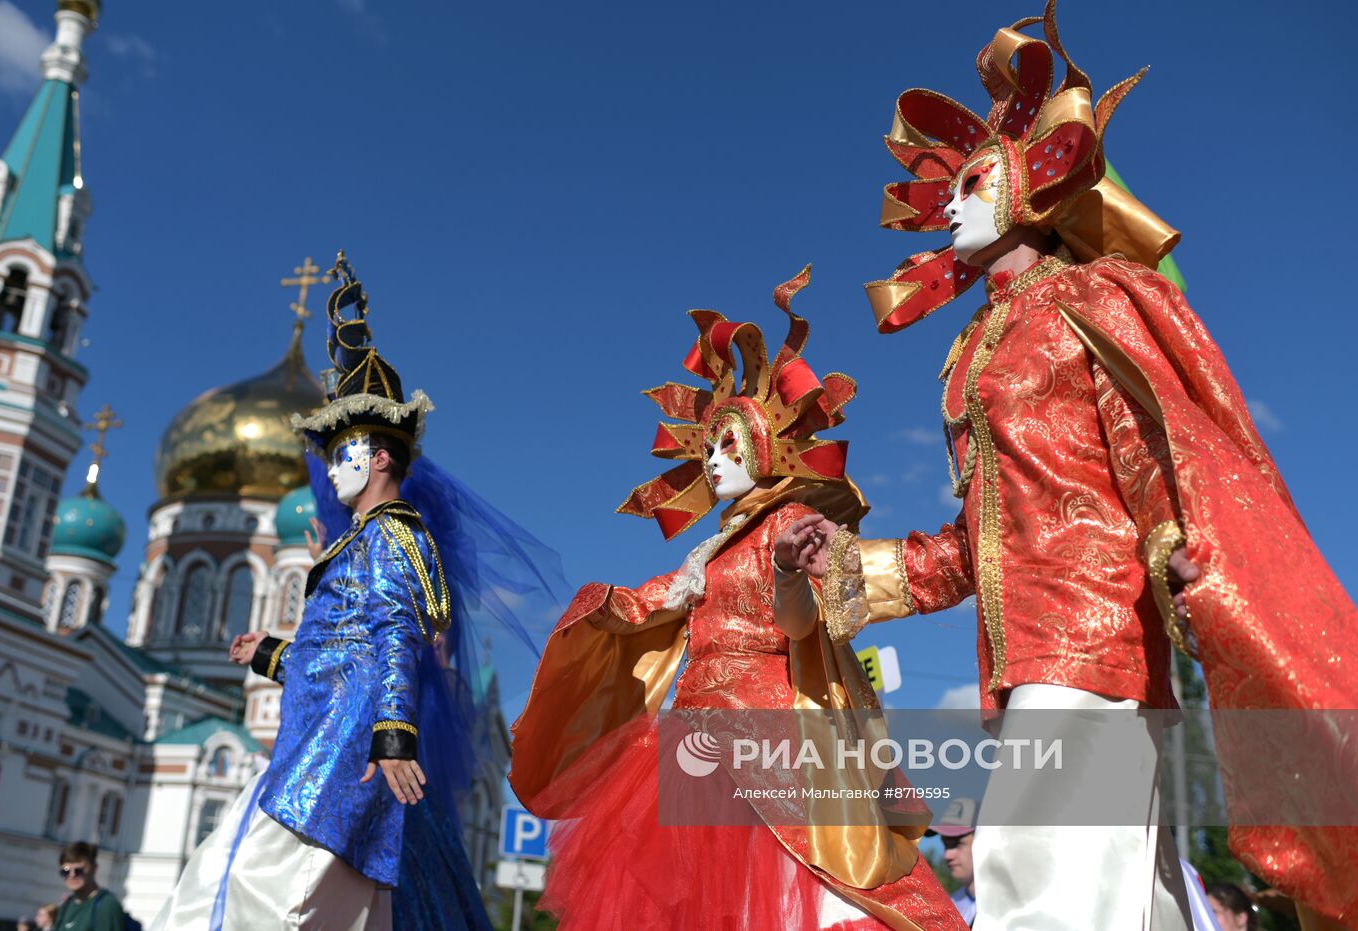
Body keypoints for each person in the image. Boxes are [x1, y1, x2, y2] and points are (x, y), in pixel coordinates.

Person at [780, 2, 1358, 928]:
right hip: (1023, 665)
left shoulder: (1092, 294)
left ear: (1033, 188)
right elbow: (976, 545)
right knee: (1128, 896)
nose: (949, 204)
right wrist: (845, 566)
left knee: (1036, 864)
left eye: (974, 180)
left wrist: (1177, 543)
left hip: (1097, 633)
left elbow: (1149, 440)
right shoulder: (970, 353)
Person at [510, 268, 967, 930]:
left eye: (730, 444)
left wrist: (786, 573)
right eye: (709, 445)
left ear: (766, 449)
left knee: (795, 901)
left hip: (765, 741)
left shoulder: (789, 523)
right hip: (692, 745)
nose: (712, 460)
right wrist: (606, 607)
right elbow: (651, 605)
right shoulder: (706, 553)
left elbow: (804, 623)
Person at [150, 253, 561, 930]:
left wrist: (393, 734)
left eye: (341, 452)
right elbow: (339, 649)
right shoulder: (361, 542)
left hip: (344, 747)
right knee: (236, 877)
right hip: (316, 739)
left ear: (378, 457)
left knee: (268, 888)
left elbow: (394, 636)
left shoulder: (392, 537)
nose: (330, 468)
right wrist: (273, 653)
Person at [51, 841, 126, 931]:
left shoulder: (107, 906)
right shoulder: (66, 906)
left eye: (78, 870)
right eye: (65, 871)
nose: (72, 875)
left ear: (94, 868)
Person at [925, 799, 977, 926]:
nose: (947, 855)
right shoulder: (950, 909)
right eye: (945, 844)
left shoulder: (1018, 908)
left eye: (958, 843)